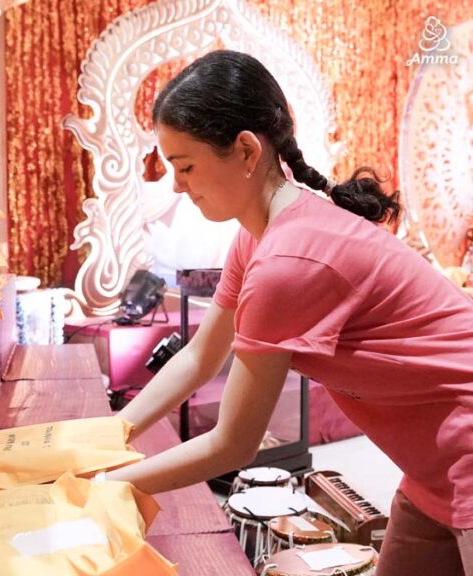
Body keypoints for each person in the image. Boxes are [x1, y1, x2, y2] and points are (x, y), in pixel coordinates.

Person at [106, 50, 473, 575]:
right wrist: (111, 438)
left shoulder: (288, 261)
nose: (177, 185)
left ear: (246, 150)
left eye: (184, 165)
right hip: (432, 464)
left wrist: (103, 485)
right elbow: (199, 358)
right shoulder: (259, 238)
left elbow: (233, 442)